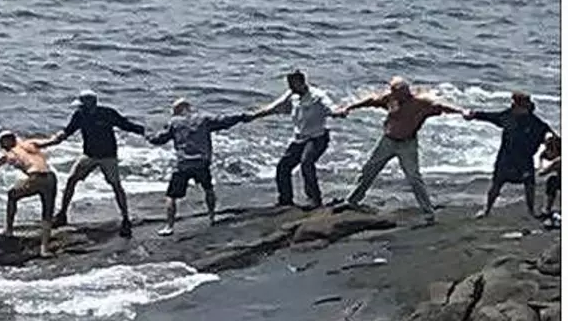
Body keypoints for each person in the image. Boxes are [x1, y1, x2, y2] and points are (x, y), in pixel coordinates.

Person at [335, 77, 465, 225]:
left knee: (413, 178)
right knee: (369, 170)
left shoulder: (419, 102)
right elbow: (370, 100)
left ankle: (428, 212)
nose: (394, 95)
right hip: (388, 141)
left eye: (398, 92)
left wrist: (462, 111)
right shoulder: (390, 98)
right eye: (393, 91)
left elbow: (441, 105)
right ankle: (352, 200)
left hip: (407, 144)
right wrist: (348, 107)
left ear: (406, 91)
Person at [38, 90, 145, 237]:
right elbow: (69, 130)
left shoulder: (107, 113)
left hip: (108, 156)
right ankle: (62, 214)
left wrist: (143, 131)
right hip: (89, 155)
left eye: (82, 104)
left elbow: (125, 125)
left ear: (91, 103)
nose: (80, 107)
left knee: (116, 185)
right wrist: (56, 138)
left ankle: (126, 219)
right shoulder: (79, 115)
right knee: (71, 180)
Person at [146, 98, 252, 236]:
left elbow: (159, 139)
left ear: (179, 110)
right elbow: (224, 121)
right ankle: (212, 216)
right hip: (202, 163)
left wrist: (147, 135)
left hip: (183, 164)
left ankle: (169, 226)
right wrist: (242, 116)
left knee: (171, 196)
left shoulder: (174, 123)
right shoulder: (203, 119)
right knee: (208, 189)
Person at [247, 70, 339, 209]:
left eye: (293, 84)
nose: (290, 87)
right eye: (289, 84)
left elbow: (331, 107)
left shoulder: (318, 95)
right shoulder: (292, 95)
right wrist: (254, 116)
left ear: (302, 82)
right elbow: (274, 107)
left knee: (306, 162)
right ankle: (285, 199)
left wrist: (338, 112)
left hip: (317, 138)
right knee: (283, 167)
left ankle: (314, 199)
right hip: (299, 138)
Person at [463, 92, 555, 218]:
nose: (512, 105)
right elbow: (491, 116)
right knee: (496, 184)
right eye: (513, 103)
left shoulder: (536, 123)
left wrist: (548, 139)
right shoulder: (508, 116)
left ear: (525, 105)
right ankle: (487, 209)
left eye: (516, 104)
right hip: (506, 158)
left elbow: (548, 134)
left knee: (529, 185)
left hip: (525, 159)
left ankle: (531, 211)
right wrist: (474, 115)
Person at [538, 132, 561, 219]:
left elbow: (558, 162)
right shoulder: (545, 153)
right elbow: (542, 160)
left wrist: (546, 170)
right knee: (552, 182)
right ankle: (547, 209)